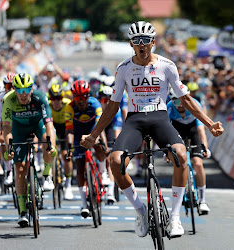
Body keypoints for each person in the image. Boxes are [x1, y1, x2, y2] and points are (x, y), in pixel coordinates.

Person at [80, 21, 224, 238]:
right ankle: (140, 210)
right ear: (131, 44)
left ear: (153, 42)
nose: (142, 45)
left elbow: (186, 99)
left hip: (160, 117)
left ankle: (175, 218)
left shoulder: (167, 65)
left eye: (145, 40)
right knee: (116, 162)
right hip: (135, 120)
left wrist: (209, 123)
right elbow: (112, 106)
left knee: (181, 155)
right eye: (137, 41)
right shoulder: (124, 68)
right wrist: (93, 135)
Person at [2, 73, 57, 227]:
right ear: (14, 90)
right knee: (19, 169)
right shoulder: (8, 100)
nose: (24, 94)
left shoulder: (40, 98)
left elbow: (49, 124)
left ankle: (47, 175)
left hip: (37, 124)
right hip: (18, 128)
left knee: (48, 142)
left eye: (27, 89)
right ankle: (22, 212)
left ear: (32, 89)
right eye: (19, 90)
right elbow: (6, 128)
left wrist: (50, 145)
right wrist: (9, 147)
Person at [65, 80, 108, 218]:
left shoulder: (95, 104)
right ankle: (84, 204)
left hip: (93, 131)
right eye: (77, 97)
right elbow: (70, 132)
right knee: (79, 167)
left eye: (83, 97)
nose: (80, 101)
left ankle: (103, 172)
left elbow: (100, 127)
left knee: (100, 147)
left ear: (88, 96)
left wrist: (104, 144)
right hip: (77, 135)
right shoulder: (69, 108)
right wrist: (70, 148)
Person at [167, 88, 211, 214]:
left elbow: (201, 129)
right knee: (180, 163)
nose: (180, 105)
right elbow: (166, 130)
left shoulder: (195, 104)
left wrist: (205, 148)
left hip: (193, 131)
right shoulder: (169, 107)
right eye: (176, 102)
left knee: (197, 163)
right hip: (177, 131)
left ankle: (202, 201)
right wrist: (167, 152)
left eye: (182, 101)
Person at [97, 85, 123, 203]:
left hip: (110, 129)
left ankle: (111, 192)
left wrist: (116, 144)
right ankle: (101, 172)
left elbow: (117, 129)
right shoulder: (97, 109)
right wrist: (104, 146)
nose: (107, 103)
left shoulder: (115, 110)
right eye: (104, 100)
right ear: (99, 100)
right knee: (100, 148)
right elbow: (98, 129)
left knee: (111, 160)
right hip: (98, 129)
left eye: (109, 100)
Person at [48, 83, 73, 200]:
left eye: (58, 98)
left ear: (62, 98)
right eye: (53, 98)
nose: (56, 102)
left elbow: (71, 126)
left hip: (65, 127)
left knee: (66, 155)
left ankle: (68, 184)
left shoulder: (68, 104)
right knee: (50, 150)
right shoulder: (47, 106)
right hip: (53, 126)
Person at [0, 73, 16, 186]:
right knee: (2, 139)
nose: (11, 89)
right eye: (8, 86)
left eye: (13, 86)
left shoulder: (24, 96)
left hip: (21, 124)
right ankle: (9, 169)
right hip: (7, 125)